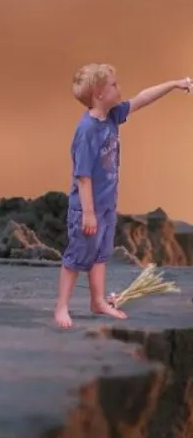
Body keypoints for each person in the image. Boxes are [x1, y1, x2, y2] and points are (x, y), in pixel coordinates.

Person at [54, 64, 192, 329]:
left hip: (106, 205)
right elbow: (82, 177)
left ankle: (98, 301)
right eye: (114, 85)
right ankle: (62, 306)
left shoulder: (113, 116)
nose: (120, 88)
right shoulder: (87, 131)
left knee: (100, 255)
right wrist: (89, 212)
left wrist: (174, 83)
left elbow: (142, 98)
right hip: (88, 208)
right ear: (98, 93)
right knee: (76, 256)